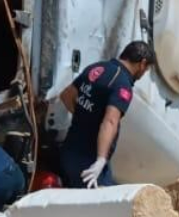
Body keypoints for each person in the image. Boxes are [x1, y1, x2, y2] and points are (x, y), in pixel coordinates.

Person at [57, 40, 155, 189]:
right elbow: (110, 121)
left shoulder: (96, 67)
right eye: (146, 70)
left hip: (69, 152)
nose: (143, 74)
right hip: (89, 164)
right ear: (142, 63)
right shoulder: (123, 85)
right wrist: (100, 160)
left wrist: (84, 116)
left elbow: (66, 95)